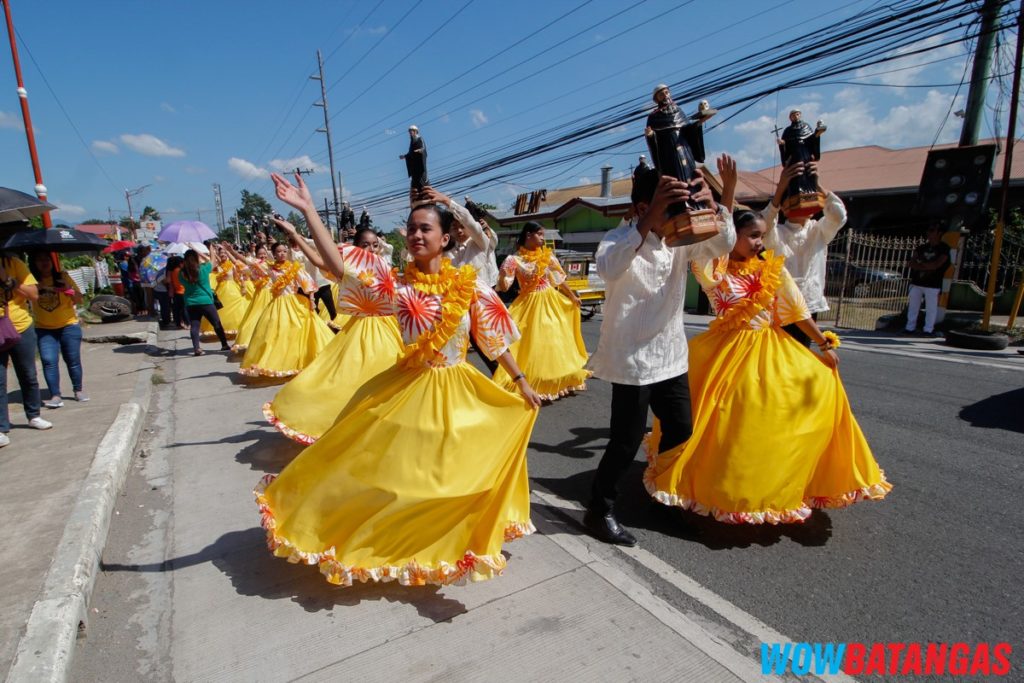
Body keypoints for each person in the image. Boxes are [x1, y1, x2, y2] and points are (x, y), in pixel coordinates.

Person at [256, 172, 541, 587]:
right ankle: (384, 541)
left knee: (449, 478)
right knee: (393, 479)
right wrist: (308, 211)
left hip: (457, 387)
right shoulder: (398, 285)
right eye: (411, 229)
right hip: (406, 388)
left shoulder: (472, 285)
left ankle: (441, 542)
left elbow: (493, 341)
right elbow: (338, 270)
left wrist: (521, 380)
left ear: (446, 238)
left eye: (425, 228)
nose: (415, 235)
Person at [645, 211, 891, 523]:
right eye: (751, 235)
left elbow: (798, 310)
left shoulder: (772, 267)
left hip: (770, 349)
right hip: (724, 352)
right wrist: (727, 196)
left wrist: (823, 343)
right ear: (734, 235)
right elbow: (709, 253)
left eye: (760, 235)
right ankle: (718, 485)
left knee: (784, 413)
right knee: (722, 424)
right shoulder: (713, 268)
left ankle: (772, 486)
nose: (758, 242)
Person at [583, 159, 735, 547]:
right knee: (624, 441)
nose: (674, 215)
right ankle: (598, 512)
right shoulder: (619, 239)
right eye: (668, 206)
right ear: (641, 208)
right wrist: (650, 219)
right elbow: (608, 268)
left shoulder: (681, 240)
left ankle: (663, 496)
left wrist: (713, 202)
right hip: (633, 362)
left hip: (671, 356)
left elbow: (723, 244)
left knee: (681, 429)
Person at [263, 214, 403, 444]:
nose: (371, 249)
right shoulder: (350, 269)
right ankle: (352, 426)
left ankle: (385, 427)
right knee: (352, 381)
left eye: (375, 245)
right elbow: (320, 262)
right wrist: (295, 235)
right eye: (365, 245)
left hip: (390, 328)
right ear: (355, 248)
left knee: (391, 385)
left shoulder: (386, 266)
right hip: (364, 331)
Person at [493, 221, 590, 400]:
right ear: (528, 235)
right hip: (528, 303)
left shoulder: (548, 256)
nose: (543, 239)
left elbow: (559, 279)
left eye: (543, 235)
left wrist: (572, 296)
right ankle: (533, 380)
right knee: (530, 344)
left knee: (555, 340)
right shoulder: (514, 260)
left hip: (550, 299)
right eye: (540, 234)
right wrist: (501, 278)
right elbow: (504, 286)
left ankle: (561, 378)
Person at [760, 161, 847, 346]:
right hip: (781, 306)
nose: (803, 202)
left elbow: (839, 216)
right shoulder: (778, 233)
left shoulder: (819, 230)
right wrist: (781, 188)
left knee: (803, 353)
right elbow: (764, 226)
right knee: (780, 355)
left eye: (808, 197)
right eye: (795, 199)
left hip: (809, 304)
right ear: (784, 208)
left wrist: (816, 184)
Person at [418, 187, 501, 373]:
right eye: (454, 227)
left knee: (496, 350)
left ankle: (510, 383)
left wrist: (447, 201)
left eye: (461, 225)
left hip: (483, 305)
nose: (459, 229)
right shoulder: (447, 254)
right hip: (460, 309)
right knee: (459, 350)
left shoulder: (480, 242)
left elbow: (471, 223)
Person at [238, 240, 333, 379]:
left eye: (284, 251)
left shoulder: (294, 267)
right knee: (275, 332)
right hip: (277, 303)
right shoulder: (269, 268)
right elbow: (251, 264)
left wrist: (312, 300)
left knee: (298, 330)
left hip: (293, 301)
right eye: (278, 252)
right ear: (274, 254)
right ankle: (279, 363)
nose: (282, 254)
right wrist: (233, 252)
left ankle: (300, 360)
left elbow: (307, 282)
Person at [0, 252, 52, 446]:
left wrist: (7, 279)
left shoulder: (12, 263)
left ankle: (33, 415)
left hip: (20, 326)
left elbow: (33, 294)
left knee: (28, 374)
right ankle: (1, 427)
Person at [29, 251, 88, 408]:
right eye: (39, 260)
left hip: (68, 325)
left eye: (46, 259)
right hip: (44, 328)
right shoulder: (31, 281)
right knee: (48, 361)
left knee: (73, 360)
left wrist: (68, 290)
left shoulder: (63, 277)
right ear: (34, 264)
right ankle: (55, 395)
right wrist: (37, 288)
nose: (44, 263)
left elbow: (79, 299)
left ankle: (78, 390)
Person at [179, 248, 230, 356]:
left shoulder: (182, 273)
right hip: (206, 301)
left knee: (195, 325)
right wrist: (211, 248)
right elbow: (213, 261)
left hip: (191, 303)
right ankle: (224, 344)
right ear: (196, 258)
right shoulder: (203, 269)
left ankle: (197, 348)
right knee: (216, 323)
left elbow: (182, 283)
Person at [904, 223, 950, 337]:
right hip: (917, 281)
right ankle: (910, 327)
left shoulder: (944, 248)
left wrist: (921, 264)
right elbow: (911, 263)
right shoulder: (921, 248)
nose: (929, 233)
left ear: (939, 233)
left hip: (933, 283)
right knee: (913, 305)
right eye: (928, 230)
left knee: (931, 307)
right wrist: (924, 265)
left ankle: (928, 330)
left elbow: (936, 265)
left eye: (932, 230)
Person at [199, 245, 247, 339]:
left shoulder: (232, 265)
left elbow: (239, 277)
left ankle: (235, 329)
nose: (223, 255)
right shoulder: (217, 266)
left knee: (235, 309)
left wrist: (243, 287)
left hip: (233, 289)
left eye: (224, 253)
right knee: (220, 310)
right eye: (221, 253)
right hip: (221, 289)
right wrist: (211, 250)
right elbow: (208, 261)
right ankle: (222, 330)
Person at [231, 245, 272, 353]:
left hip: (273, 292)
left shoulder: (271, 264)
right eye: (260, 254)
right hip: (262, 293)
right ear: (256, 255)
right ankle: (251, 339)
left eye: (265, 254)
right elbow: (241, 261)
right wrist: (232, 252)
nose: (263, 256)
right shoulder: (255, 265)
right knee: (258, 315)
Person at [166, 255, 187, 329]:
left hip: (176, 292)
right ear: (180, 263)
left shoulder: (171, 271)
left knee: (177, 310)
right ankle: (187, 323)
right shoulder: (181, 271)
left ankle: (178, 324)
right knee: (184, 309)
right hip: (183, 291)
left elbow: (168, 281)